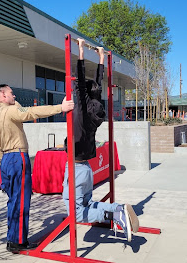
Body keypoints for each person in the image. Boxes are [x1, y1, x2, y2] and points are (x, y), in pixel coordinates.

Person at [62, 38, 139, 242]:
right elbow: (97, 83)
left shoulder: (83, 108)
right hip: (86, 167)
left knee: (76, 213)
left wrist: (79, 49)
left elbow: (80, 79)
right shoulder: (97, 108)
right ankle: (118, 208)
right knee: (86, 204)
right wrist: (102, 58)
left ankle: (115, 214)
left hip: (77, 169)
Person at [0, 84, 74, 253]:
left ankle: (12, 238)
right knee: (21, 201)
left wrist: (0, 161)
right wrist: (60, 108)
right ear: (3, 96)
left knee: (13, 201)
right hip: (16, 157)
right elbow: (32, 112)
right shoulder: (10, 111)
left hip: (5, 158)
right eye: (11, 94)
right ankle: (18, 241)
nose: (15, 97)